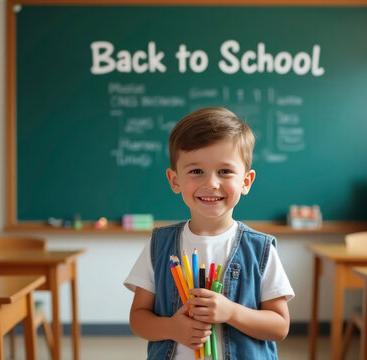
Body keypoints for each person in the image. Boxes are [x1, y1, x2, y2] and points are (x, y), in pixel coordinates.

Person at [124, 107, 294, 360]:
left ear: (246, 182)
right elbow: (138, 318)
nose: (211, 183)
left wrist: (231, 312)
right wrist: (172, 327)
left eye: (225, 171)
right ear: (174, 180)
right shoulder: (159, 244)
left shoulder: (260, 249)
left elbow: (279, 326)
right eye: (196, 171)